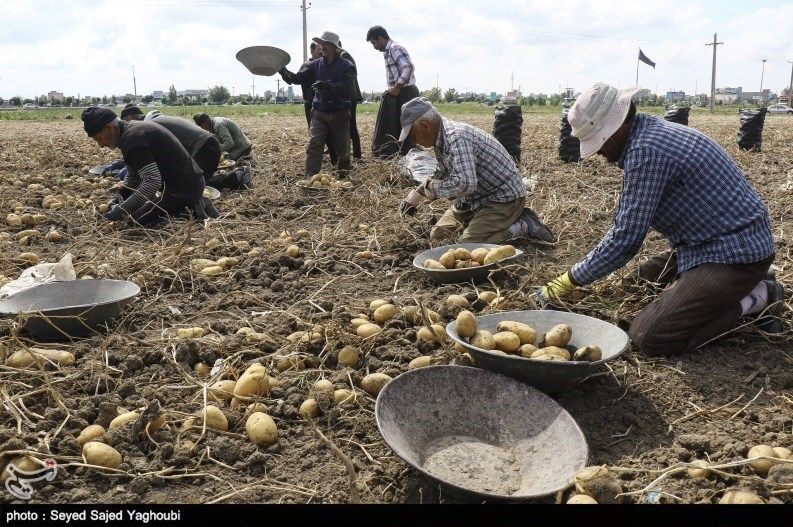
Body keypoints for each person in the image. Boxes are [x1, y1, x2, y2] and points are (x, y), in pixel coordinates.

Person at [537, 82, 783, 356]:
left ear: (617, 128)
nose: (600, 153)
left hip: (736, 254)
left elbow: (626, 238)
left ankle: (759, 297)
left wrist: (569, 279)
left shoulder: (647, 151)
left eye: (600, 141)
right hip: (699, 246)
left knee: (650, 336)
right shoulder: (648, 133)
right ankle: (728, 289)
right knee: (632, 286)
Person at [397, 97, 554, 244]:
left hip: (501, 199)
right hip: (473, 199)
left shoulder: (456, 138)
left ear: (426, 126)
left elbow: (465, 185)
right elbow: (442, 171)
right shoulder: (440, 138)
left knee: (467, 246)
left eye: (412, 135)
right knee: (437, 235)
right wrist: (418, 193)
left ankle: (522, 226)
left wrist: (433, 188)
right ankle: (481, 223)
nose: (413, 141)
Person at [81, 107, 216, 226]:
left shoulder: (133, 138)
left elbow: (152, 182)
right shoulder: (130, 132)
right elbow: (134, 174)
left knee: (135, 221)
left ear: (110, 128)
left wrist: (121, 210)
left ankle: (194, 205)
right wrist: (120, 196)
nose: (101, 145)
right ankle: (189, 203)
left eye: (99, 139)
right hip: (187, 183)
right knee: (135, 213)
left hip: (182, 190)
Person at [279, 31, 356, 178]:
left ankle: (343, 178)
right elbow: (297, 78)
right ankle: (310, 178)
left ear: (334, 48)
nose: (323, 47)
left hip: (340, 113)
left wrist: (328, 86)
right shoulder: (315, 64)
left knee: (343, 149)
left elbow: (347, 87)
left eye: (326, 44)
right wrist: (281, 70)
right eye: (322, 44)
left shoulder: (347, 66)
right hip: (319, 112)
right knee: (314, 144)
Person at [123, 107, 251, 190]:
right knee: (190, 181)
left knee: (193, 185)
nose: (127, 125)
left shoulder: (150, 126)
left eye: (126, 120)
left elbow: (166, 153)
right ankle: (235, 176)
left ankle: (237, 176)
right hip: (206, 146)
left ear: (131, 118)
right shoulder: (158, 122)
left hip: (205, 147)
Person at [366, 25, 420, 158]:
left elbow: (408, 67)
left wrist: (397, 87)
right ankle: (400, 155)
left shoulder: (395, 49)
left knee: (406, 127)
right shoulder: (387, 52)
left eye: (374, 43)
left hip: (406, 92)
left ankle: (409, 156)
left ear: (380, 38)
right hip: (400, 92)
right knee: (398, 125)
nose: (374, 47)